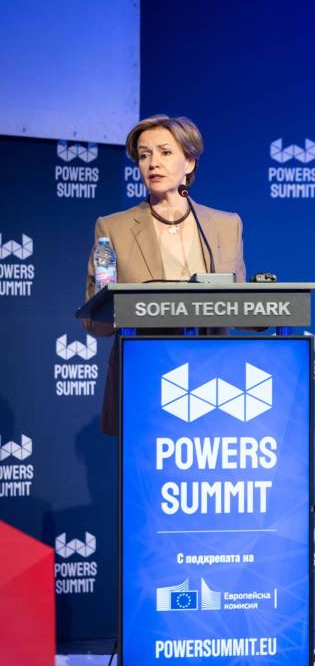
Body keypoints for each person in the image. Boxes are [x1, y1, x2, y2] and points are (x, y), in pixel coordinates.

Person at [84, 114, 246, 435]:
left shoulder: (226, 226)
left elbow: (243, 310)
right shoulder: (112, 229)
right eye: (144, 155)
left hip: (214, 385)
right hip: (144, 382)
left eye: (165, 152)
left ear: (190, 161)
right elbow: (96, 320)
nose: (153, 163)